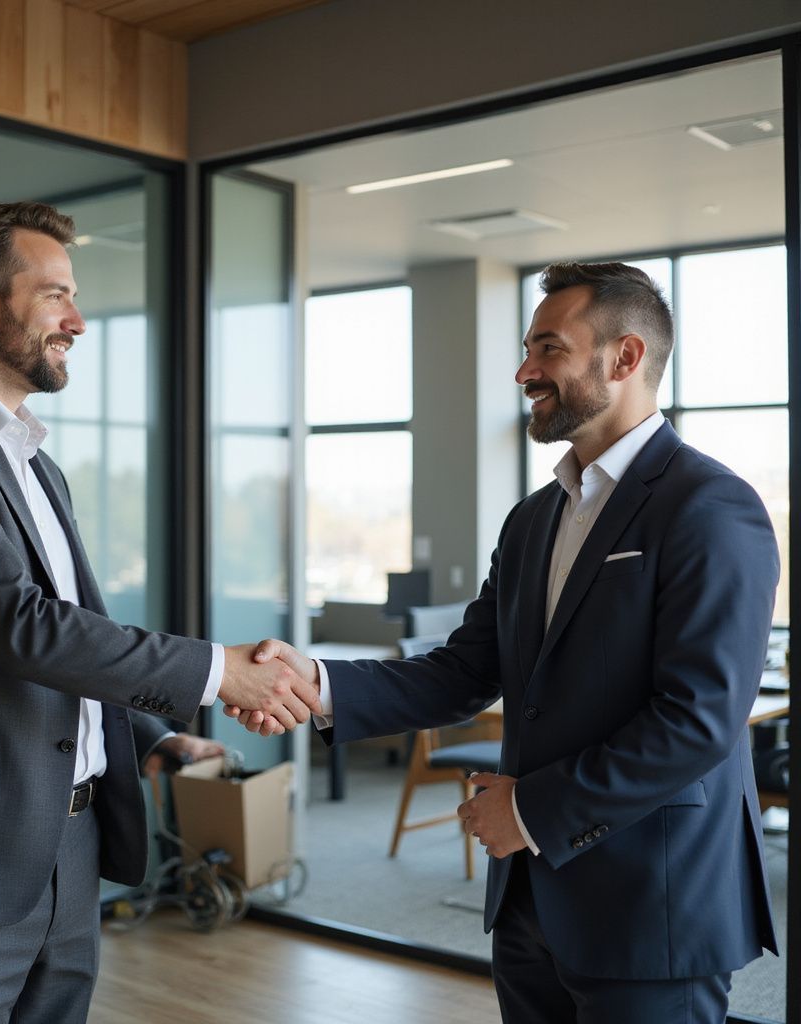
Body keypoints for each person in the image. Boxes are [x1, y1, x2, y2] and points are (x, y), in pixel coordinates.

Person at [236, 262, 780, 1023]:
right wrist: (316, 681)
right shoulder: (533, 520)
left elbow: (697, 722)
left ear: (624, 358)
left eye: (548, 348)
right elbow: (465, 672)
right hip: (528, 900)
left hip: (649, 904)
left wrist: (528, 811)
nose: (525, 371)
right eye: (527, 348)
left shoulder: (711, 507)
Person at [0, 200, 319, 1024]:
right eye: (55, 294)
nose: (79, 321)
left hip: (67, 841)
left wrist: (151, 734)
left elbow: (58, 645)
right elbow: (20, 627)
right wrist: (216, 669)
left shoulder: (32, 460)